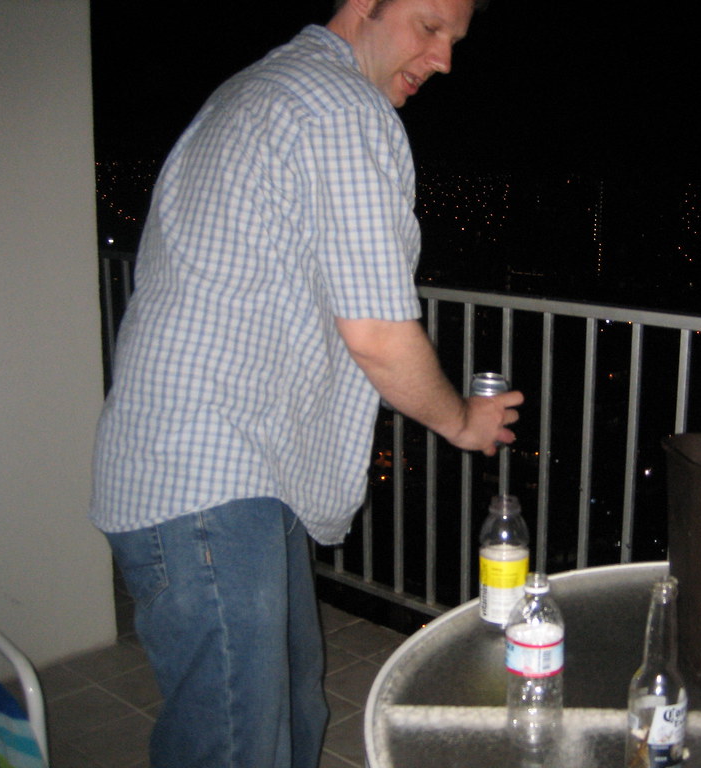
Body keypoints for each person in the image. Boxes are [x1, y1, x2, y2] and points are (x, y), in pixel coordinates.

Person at [90, 0, 521, 766]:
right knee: (236, 741)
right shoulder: (340, 105)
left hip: (241, 468)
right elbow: (379, 335)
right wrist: (461, 422)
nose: (445, 58)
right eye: (429, 26)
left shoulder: (257, 88)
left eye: (455, 39)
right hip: (209, 474)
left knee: (291, 701)